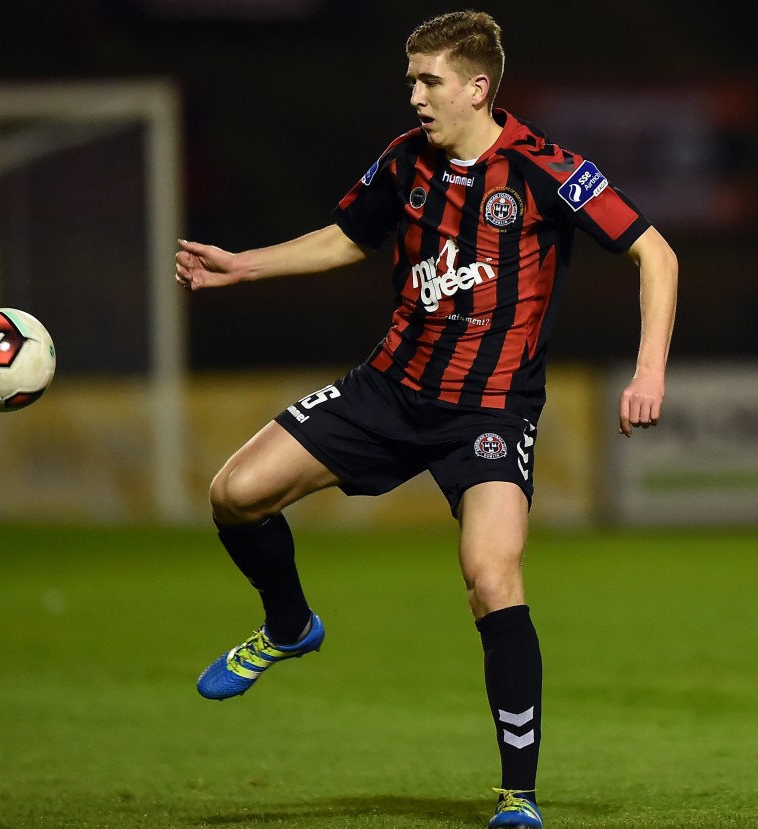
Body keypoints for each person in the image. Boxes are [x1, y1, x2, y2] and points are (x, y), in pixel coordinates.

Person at [175, 10, 677, 829]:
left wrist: (650, 367)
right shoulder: (404, 161)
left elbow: (655, 253)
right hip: (389, 389)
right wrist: (245, 266)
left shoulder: (551, 170)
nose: (413, 95)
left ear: (478, 87)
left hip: (489, 409)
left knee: (491, 575)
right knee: (234, 492)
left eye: (428, 80)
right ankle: (290, 623)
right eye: (411, 79)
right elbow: (350, 238)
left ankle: (518, 796)